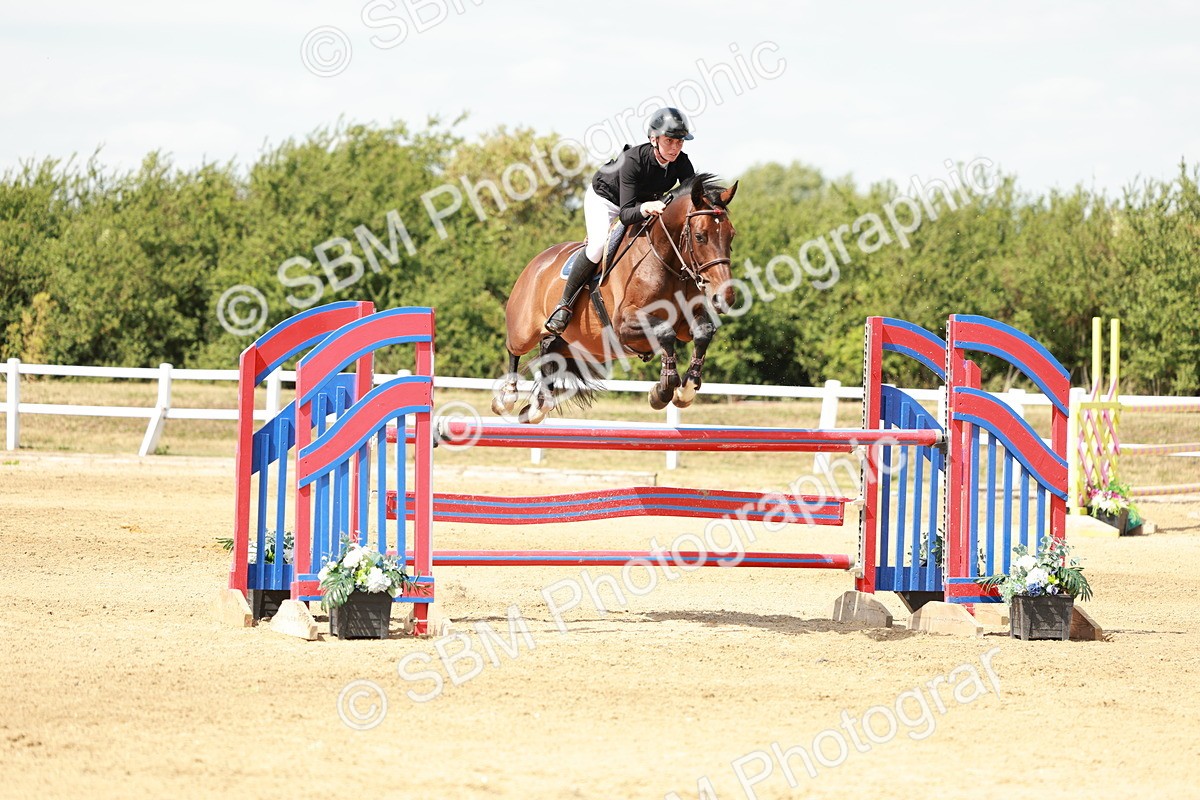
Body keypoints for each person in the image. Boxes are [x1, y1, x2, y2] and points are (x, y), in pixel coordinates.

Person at [543, 107, 697, 335]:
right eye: (670, 141)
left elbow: (689, 196)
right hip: (607, 199)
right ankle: (564, 304)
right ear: (654, 139)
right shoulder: (633, 160)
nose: (675, 147)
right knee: (597, 247)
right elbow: (626, 214)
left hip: (642, 202)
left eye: (680, 142)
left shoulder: (682, 163)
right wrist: (647, 207)